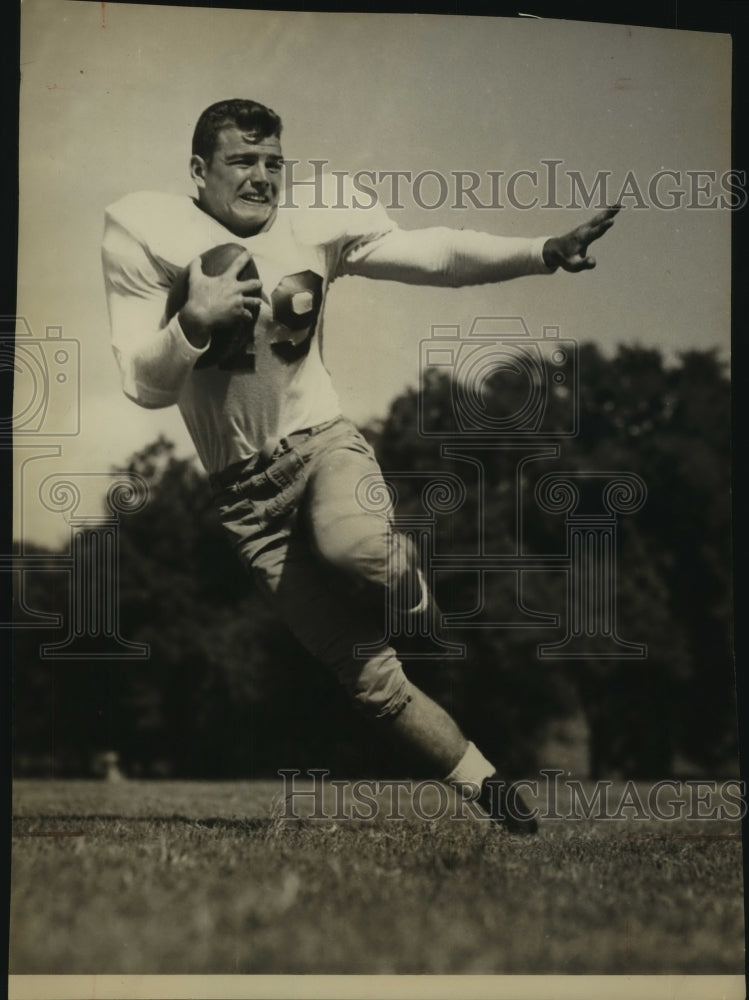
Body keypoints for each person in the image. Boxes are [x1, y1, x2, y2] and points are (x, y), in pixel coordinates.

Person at [102, 98, 619, 834]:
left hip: (319, 445)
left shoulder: (314, 222)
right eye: (241, 161)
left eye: (273, 162)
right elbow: (143, 385)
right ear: (197, 170)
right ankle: (496, 796)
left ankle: (405, 585)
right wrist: (191, 321)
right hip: (244, 502)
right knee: (370, 681)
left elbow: (433, 254)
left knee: (354, 542)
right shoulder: (143, 230)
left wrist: (540, 249)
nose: (261, 177)